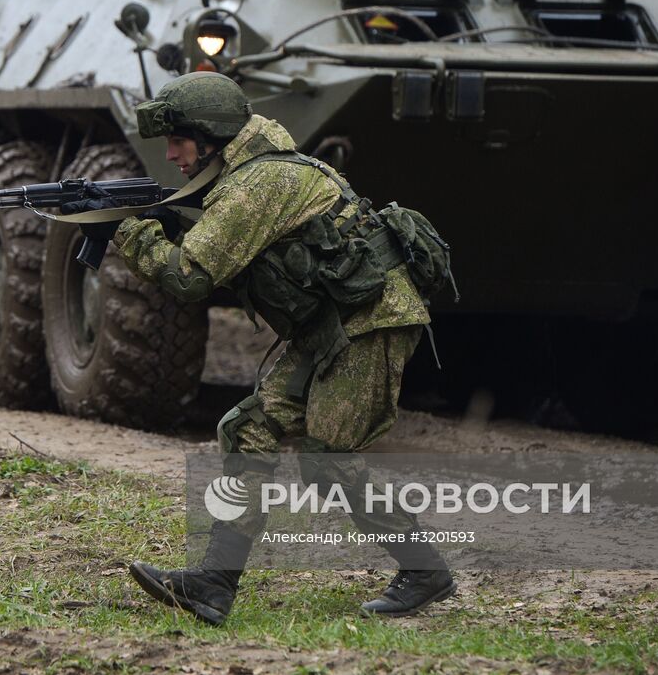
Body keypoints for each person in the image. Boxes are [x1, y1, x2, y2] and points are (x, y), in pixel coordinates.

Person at [64, 71, 454, 625]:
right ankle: (213, 585)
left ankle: (425, 571)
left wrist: (128, 229)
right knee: (247, 431)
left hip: (372, 321)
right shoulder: (248, 175)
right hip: (330, 324)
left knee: (328, 461)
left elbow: (189, 277)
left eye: (178, 139)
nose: (170, 153)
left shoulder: (257, 184)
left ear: (212, 136)